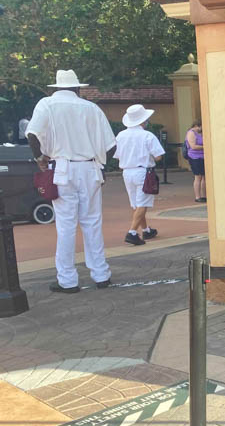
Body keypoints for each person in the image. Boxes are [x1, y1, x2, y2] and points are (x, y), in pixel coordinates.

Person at [26, 69, 116, 293]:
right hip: (90, 169)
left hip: (63, 169)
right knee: (92, 223)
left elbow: (32, 135)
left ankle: (68, 280)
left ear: (57, 87)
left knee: (66, 226)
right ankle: (101, 274)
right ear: (77, 88)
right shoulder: (91, 108)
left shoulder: (47, 104)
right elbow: (111, 146)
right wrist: (100, 165)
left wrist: (39, 158)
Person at [115, 104, 165, 245]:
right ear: (143, 120)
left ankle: (146, 230)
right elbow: (158, 156)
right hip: (143, 171)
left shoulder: (121, 135)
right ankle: (132, 232)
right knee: (143, 203)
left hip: (127, 171)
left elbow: (118, 155)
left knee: (136, 204)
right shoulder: (147, 135)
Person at [185, 121, 205, 202]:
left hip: (203, 156)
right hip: (194, 157)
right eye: (201, 127)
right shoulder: (191, 133)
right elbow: (193, 146)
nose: (202, 129)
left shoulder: (200, 133)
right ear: (196, 126)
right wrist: (205, 146)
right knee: (198, 177)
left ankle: (204, 196)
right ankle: (197, 197)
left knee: (204, 177)